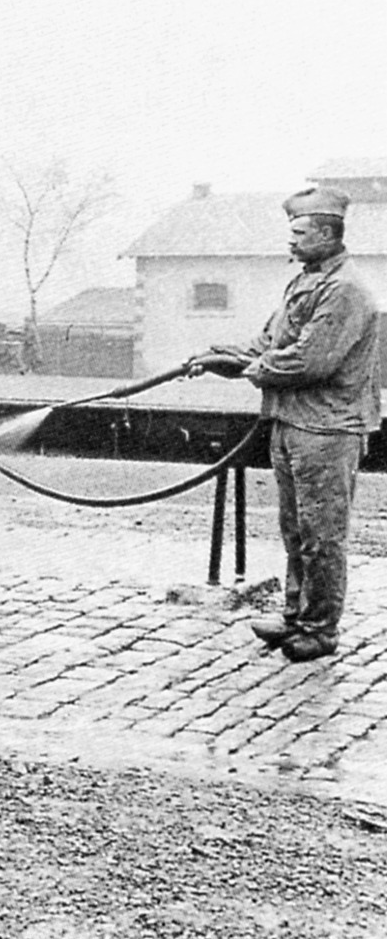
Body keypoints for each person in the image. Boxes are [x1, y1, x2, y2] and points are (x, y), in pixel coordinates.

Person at [190, 185, 380, 661]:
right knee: (295, 529)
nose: (290, 241)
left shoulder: (346, 290)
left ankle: (320, 629)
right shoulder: (305, 282)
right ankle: (297, 616)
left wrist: (253, 370)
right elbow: (267, 344)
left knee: (322, 534)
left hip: (328, 430)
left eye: (299, 233)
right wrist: (221, 358)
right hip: (293, 423)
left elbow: (311, 360)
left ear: (327, 233)